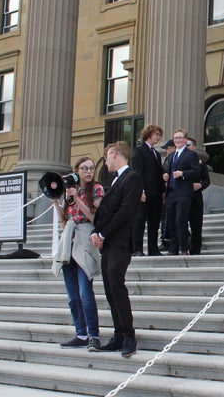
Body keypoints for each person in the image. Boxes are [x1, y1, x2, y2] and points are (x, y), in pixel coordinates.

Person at [89, 141, 141, 357]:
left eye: (107, 157)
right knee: (110, 288)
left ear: (114, 154)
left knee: (116, 284)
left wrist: (103, 233)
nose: (106, 161)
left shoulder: (132, 178)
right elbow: (108, 212)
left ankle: (129, 336)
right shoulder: (115, 180)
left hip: (120, 241)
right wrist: (96, 231)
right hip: (108, 242)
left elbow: (126, 211)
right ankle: (118, 334)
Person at [51, 157, 103, 350]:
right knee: (73, 295)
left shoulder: (96, 189)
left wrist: (77, 197)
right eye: (84, 168)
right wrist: (57, 204)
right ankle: (80, 333)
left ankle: (93, 335)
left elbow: (93, 216)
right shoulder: (68, 192)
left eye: (91, 168)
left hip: (85, 241)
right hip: (69, 243)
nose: (89, 172)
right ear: (77, 171)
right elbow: (64, 222)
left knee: (85, 293)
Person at [162, 129, 201, 255]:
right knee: (171, 221)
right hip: (171, 192)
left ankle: (184, 248)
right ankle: (173, 248)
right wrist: (165, 176)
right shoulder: (170, 156)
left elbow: (196, 171)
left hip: (184, 192)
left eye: (180, 138)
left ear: (185, 139)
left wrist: (182, 174)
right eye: (175, 138)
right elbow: (167, 171)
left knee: (181, 220)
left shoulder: (191, 155)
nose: (177, 140)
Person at [130, 124, 165, 257]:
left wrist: (162, 191)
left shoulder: (156, 153)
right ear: (149, 134)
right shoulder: (139, 150)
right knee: (139, 220)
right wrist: (141, 191)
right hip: (144, 193)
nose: (158, 137)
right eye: (156, 134)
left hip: (156, 194)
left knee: (154, 222)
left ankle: (153, 249)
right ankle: (137, 248)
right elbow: (137, 172)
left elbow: (157, 173)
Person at [187, 137, 210, 255]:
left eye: (189, 144)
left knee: (196, 225)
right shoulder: (178, 160)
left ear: (194, 147)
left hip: (195, 198)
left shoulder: (200, 163)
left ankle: (195, 249)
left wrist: (200, 185)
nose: (187, 146)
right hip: (182, 197)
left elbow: (207, 180)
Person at [158, 139, 176, 251]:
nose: (165, 150)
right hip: (166, 192)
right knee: (164, 218)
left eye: (167, 148)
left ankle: (166, 241)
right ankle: (165, 240)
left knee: (167, 219)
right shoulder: (168, 159)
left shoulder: (173, 159)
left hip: (171, 192)